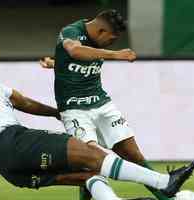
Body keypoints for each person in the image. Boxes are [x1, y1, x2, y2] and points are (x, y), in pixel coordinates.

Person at [0, 1, 194, 200]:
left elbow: (24, 103)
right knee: (91, 154)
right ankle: (164, 182)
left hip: (8, 166)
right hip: (12, 142)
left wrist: (56, 112)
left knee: (87, 173)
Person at [40, 9, 180, 200]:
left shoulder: (96, 44)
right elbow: (74, 50)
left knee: (134, 155)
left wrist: (55, 64)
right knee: (89, 162)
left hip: (102, 104)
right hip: (74, 109)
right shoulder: (71, 31)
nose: (112, 43)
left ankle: (166, 197)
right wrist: (115, 55)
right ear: (101, 32)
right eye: (111, 39)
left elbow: (74, 62)